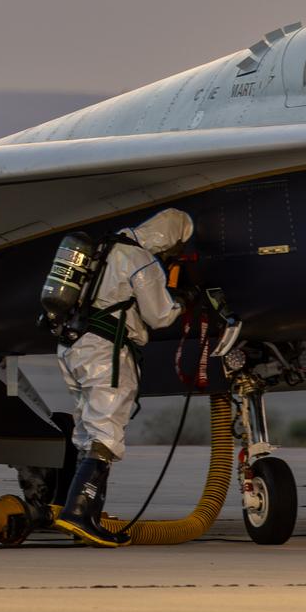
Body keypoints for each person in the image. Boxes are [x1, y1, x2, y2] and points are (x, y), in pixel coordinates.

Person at [53, 207, 194, 546]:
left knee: (87, 432)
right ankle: (76, 515)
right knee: (106, 435)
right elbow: (159, 316)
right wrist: (184, 301)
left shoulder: (102, 248)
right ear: (168, 237)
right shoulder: (140, 259)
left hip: (73, 347)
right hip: (106, 352)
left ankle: (80, 515)